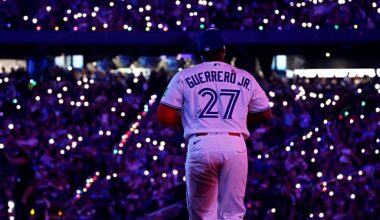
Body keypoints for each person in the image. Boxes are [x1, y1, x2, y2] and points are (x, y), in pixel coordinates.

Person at [157, 28, 272, 219]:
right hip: (235, 143)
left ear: (200, 53)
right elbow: (265, 113)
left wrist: (188, 121)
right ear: (223, 50)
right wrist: (238, 119)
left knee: (202, 214)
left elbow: (163, 114)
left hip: (201, 142)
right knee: (233, 214)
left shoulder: (184, 76)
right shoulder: (244, 76)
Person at [5, 149, 35, 220]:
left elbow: (31, 186)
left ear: (23, 158)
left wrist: (24, 198)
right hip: (18, 199)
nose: (16, 160)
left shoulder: (28, 170)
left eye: (18, 158)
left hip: (25, 201)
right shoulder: (19, 169)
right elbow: (10, 160)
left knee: (24, 217)